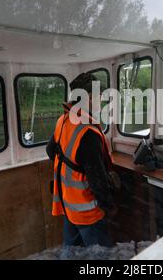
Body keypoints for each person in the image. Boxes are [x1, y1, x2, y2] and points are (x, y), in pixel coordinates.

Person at [46, 72, 115, 247]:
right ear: (90, 98)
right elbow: (97, 179)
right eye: (100, 96)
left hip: (68, 204)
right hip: (87, 210)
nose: (102, 99)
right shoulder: (88, 133)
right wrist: (108, 206)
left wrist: (72, 170)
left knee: (71, 250)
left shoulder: (63, 120)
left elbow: (51, 151)